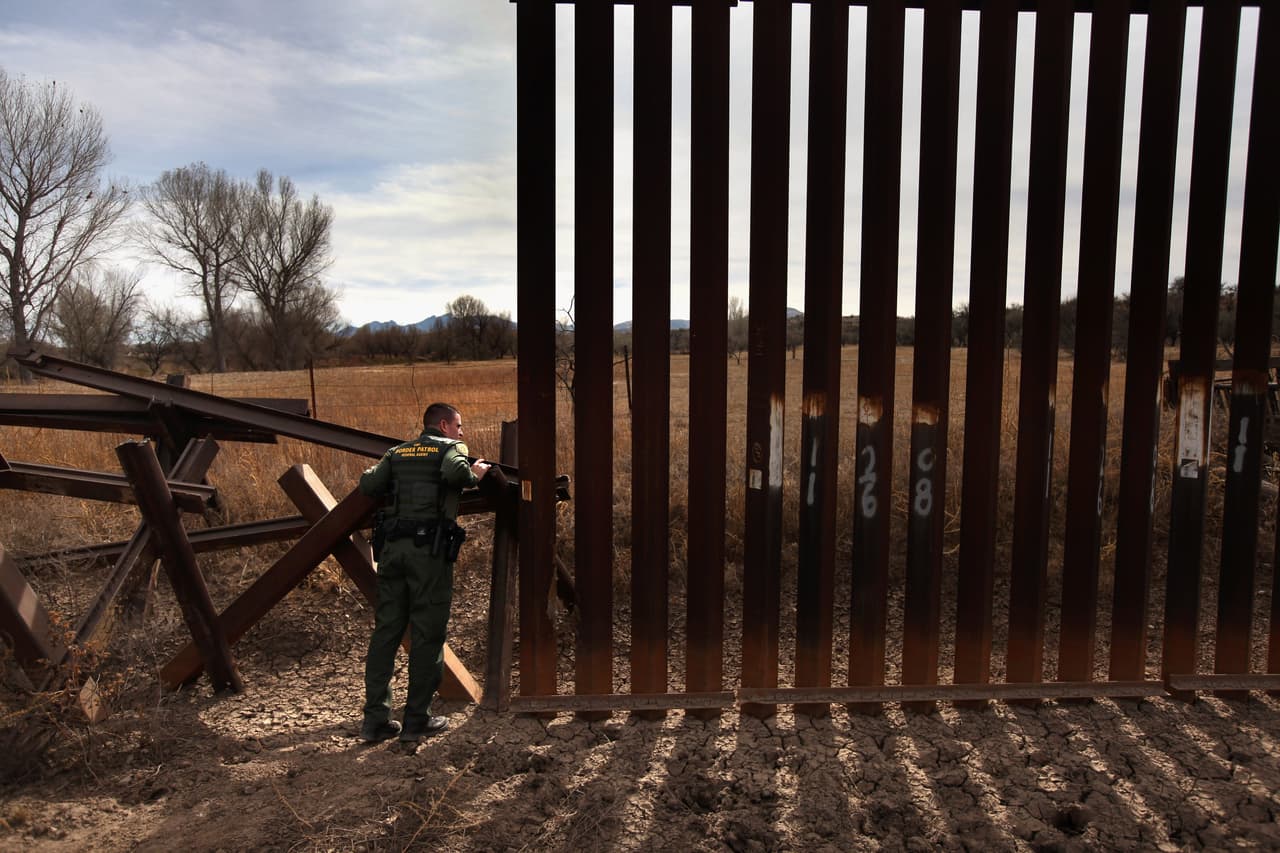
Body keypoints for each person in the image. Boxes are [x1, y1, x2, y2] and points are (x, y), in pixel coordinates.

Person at [359, 402, 490, 744]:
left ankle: (375, 721)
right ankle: (417, 718)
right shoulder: (451, 448)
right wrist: (475, 476)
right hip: (427, 555)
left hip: (391, 552)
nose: (462, 433)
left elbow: (369, 484)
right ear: (444, 425)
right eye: (459, 426)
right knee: (427, 634)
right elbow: (455, 474)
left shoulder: (398, 451)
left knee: (386, 631)